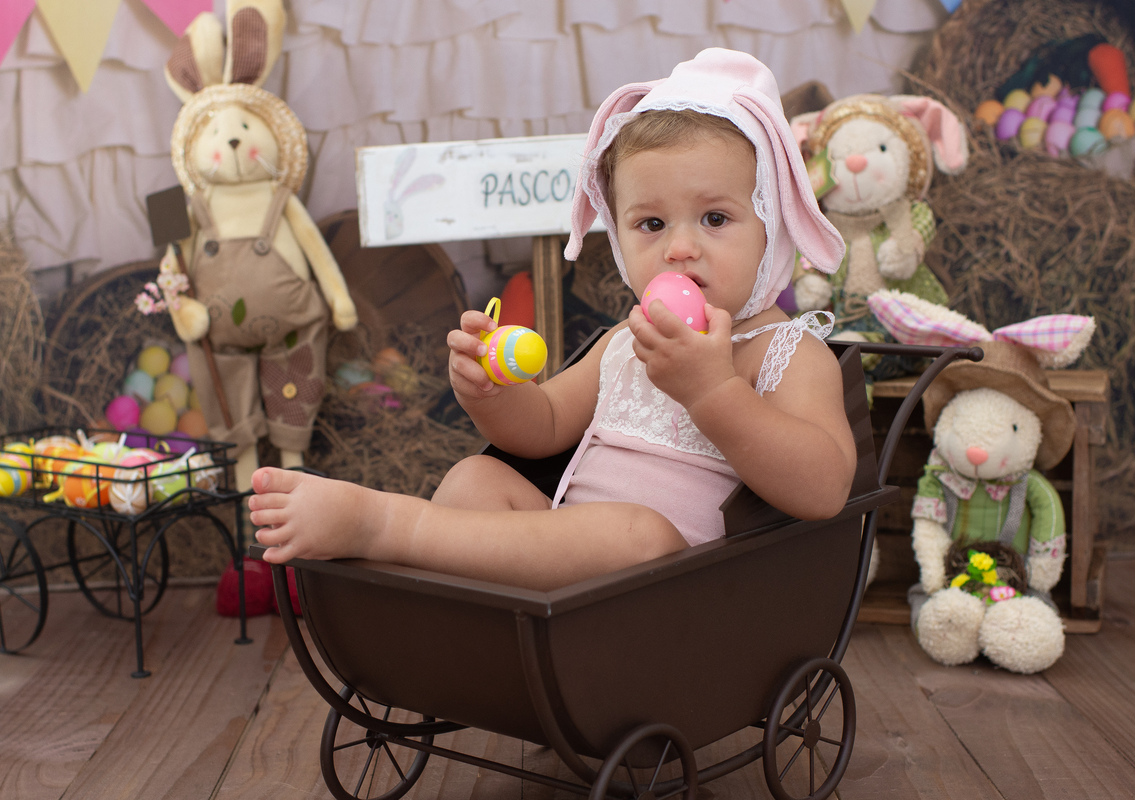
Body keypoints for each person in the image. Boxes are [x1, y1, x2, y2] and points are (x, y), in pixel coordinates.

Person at [249, 48, 855, 591]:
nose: (679, 248)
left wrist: (712, 390)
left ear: (772, 228)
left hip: (682, 604)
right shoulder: (624, 342)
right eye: (650, 224)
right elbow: (539, 429)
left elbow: (824, 491)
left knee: (634, 534)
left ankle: (389, 527)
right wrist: (492, 394)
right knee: (476, 479)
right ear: (616, 239)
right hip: (570, 587)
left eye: (715, 219)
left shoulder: (787, 352)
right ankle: (478, 633)